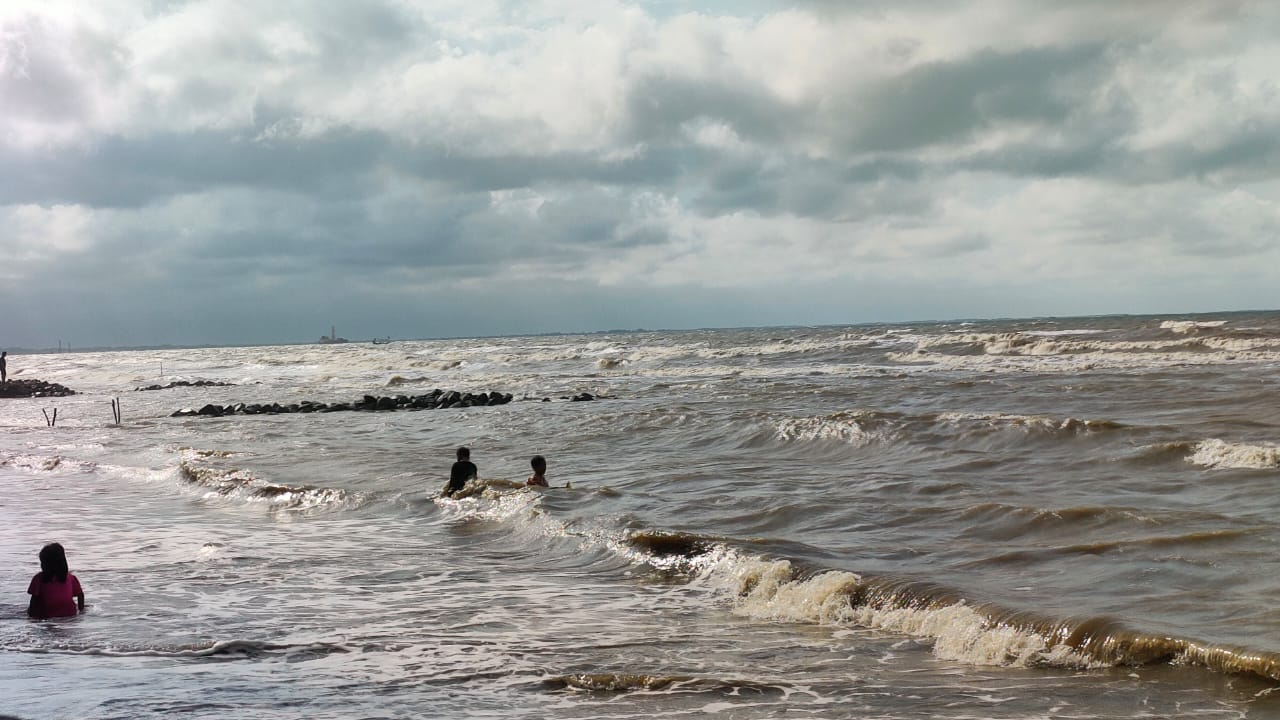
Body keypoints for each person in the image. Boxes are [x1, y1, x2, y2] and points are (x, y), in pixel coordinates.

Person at [27, 542, 85, 619]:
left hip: (46, 615)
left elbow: (33, 602)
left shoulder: (39, 579)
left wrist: (30, 617)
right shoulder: (71, 578)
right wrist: (81, 611)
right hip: (69, 614)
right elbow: (80, 595)